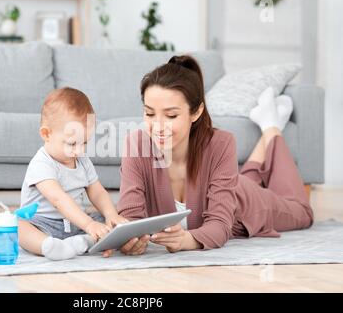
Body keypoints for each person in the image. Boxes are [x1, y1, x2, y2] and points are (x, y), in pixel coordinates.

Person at [103, 55, 313, 257]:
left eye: (171, 115)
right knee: (242, 179)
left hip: (244, 203)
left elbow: (220, 225)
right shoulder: (136, 144)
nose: (157, 126)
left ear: (196, 112)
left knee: (302, 213)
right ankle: (268, 128)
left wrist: (185, 240)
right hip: (229, 183)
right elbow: (130, 216)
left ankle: (271, 127)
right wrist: (130, 241)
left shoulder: (221, 143)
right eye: (149, 113)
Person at [19, 87, 127, 261]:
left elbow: (97, 191)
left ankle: (89, 240)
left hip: (76, 224)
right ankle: (48, 246)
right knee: (19, 227)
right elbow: (58, 199)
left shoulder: (82, 159)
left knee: (114, 221)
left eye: (84, 142)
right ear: (46, 134)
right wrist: (88, 224)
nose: (79, 150)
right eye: (72, 144)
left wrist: (110, 215)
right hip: (43, 224)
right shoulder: (41, 163)